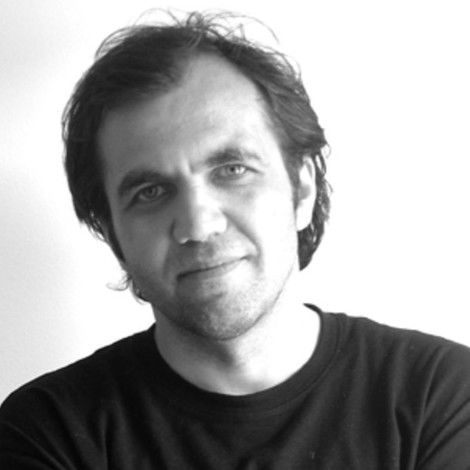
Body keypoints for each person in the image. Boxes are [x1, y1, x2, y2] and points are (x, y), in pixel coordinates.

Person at [1, 10, 469, 469]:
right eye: (150, 192)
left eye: (232, 169)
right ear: (111, 233)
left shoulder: (441, 395)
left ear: (303, 188)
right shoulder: (47, 432)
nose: (198, 225)